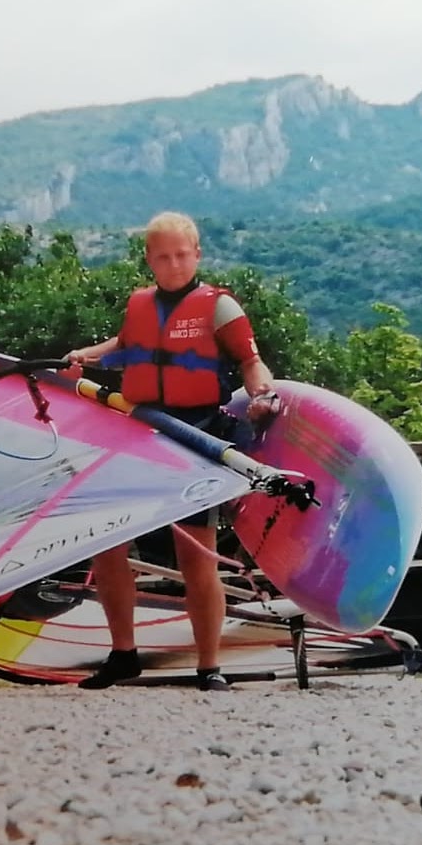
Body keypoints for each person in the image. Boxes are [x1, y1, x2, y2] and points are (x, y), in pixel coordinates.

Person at [65, 211, 280, 692]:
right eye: (163, 257)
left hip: (193, 436)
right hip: (138, 433)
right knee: (107, 543)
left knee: (196, 556)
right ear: (149, 259)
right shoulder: (140, 304)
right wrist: (86, 355)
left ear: (197, 254)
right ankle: (123, 654)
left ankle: (209, 666)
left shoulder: (219, 307)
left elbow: (251, 361)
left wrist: (262, 394)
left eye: (182, 255)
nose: (174, 264)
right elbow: (125, 346)